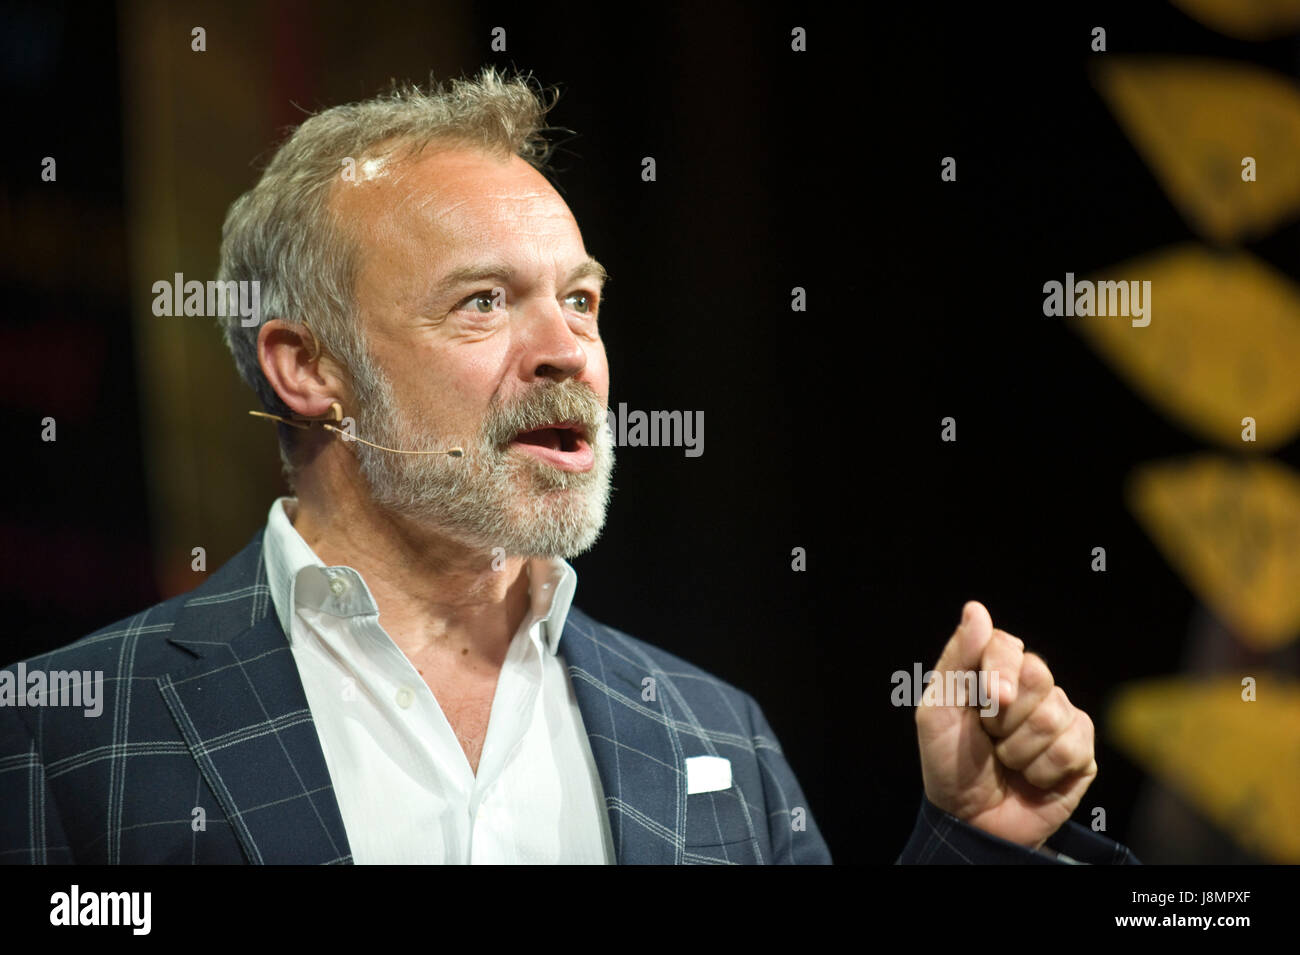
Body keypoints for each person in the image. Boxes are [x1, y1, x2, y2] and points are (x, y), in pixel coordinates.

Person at [0, 67, 1135, 865]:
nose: (568, 350)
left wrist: (975, 842)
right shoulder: (72, 730)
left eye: (580, 299)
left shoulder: (710, 732)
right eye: (483, 301)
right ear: (306, 368)